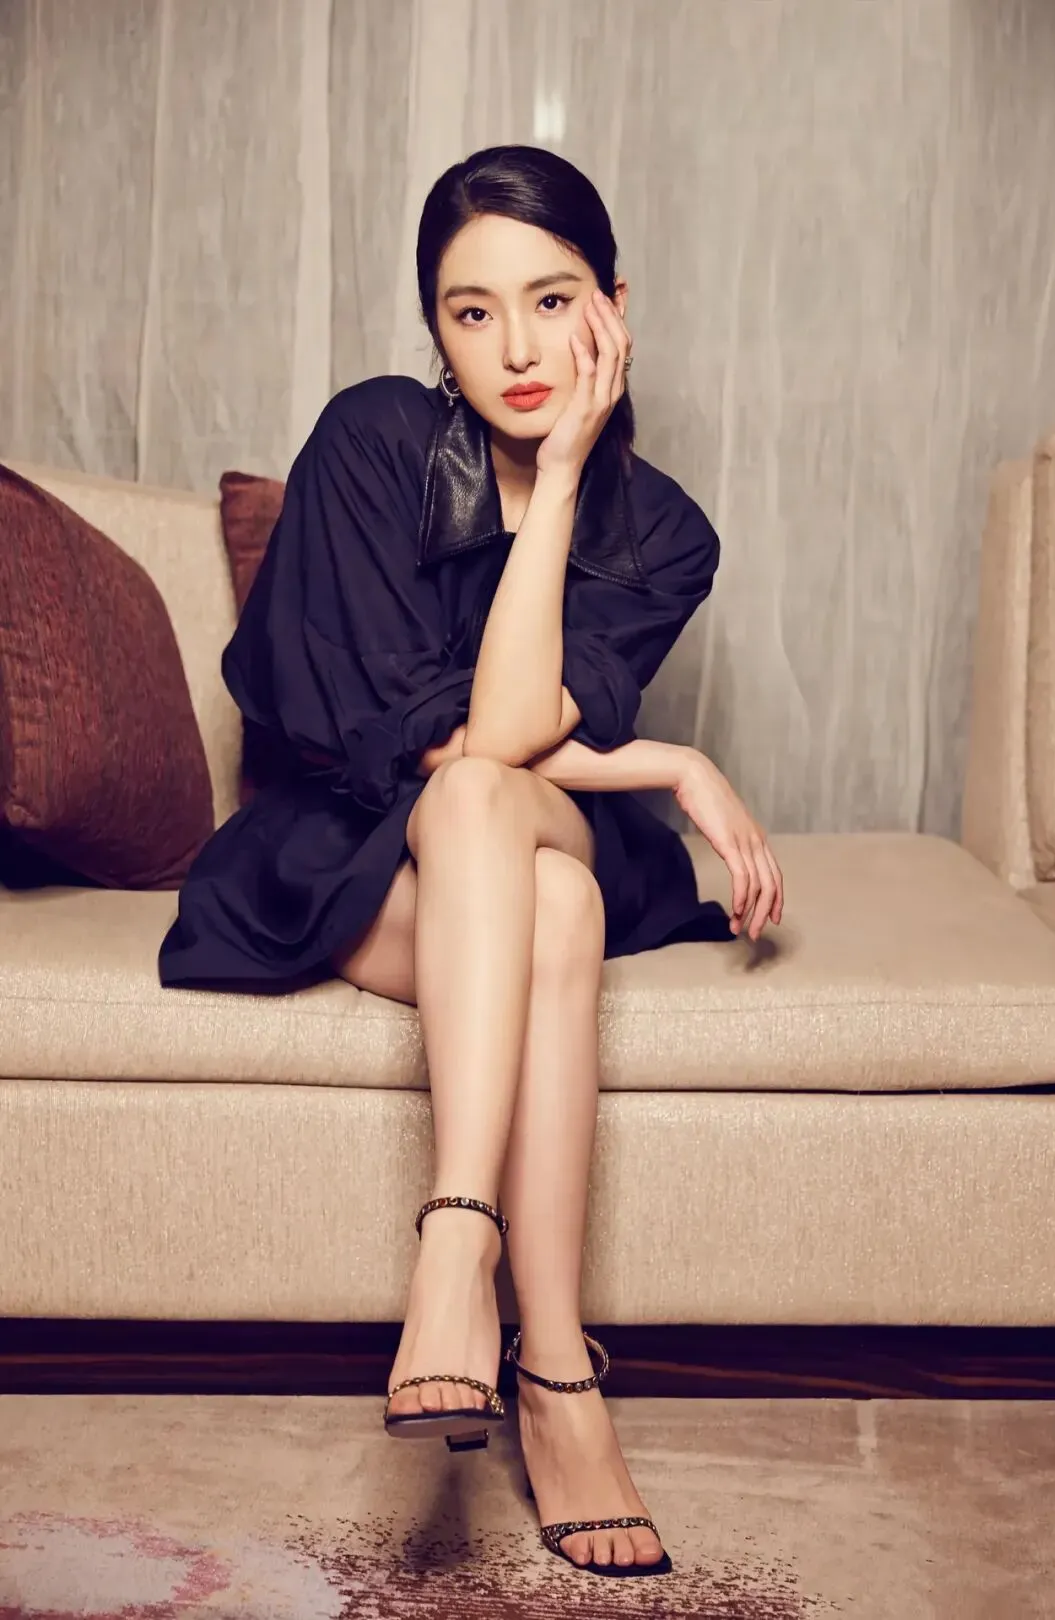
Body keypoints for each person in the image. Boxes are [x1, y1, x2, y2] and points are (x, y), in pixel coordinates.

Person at [159, 143, 783, 1580]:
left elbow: (499, 739)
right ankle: (556, 1374)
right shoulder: (375, 441)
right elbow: (428, 745)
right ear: (432, 330)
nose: (515, 350)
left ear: (613, 308)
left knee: (501, 818)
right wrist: (665, 761)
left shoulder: (664, 533)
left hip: (506, 818)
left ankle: (455, 1246)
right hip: (351, 847)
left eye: (552, 301)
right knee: (539, 883)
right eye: (471, 311)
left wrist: (559, 480)